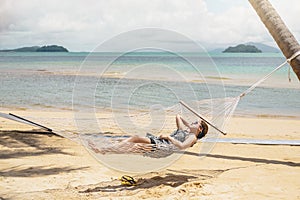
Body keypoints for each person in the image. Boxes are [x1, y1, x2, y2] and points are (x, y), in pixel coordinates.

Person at [88, 114, 208, 154]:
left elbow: (182, 147)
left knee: (134, 140)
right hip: (162, 143)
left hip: (164, 146)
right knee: (130, 146)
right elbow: (178, 116)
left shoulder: (192, 137)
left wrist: (169, 137)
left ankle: (104, 150)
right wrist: (192, 125)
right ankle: (105, 150)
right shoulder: (185, 131)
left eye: (195, 122)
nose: (192, 122)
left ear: (200, 129)